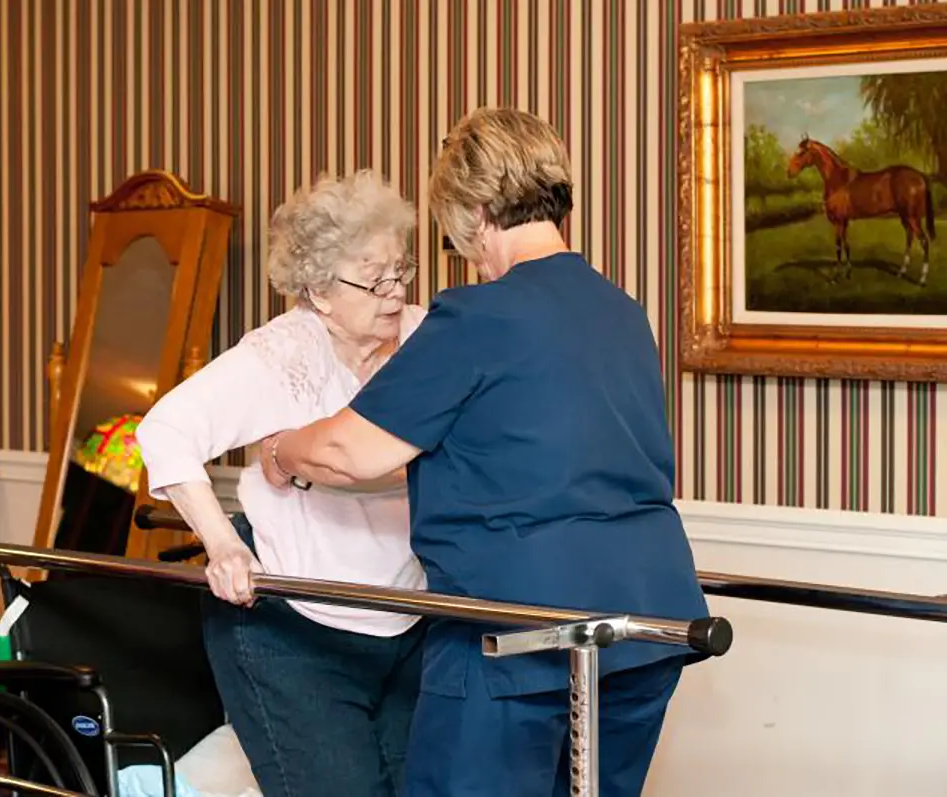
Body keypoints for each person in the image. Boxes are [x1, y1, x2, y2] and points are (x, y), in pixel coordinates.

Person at [260, 108, 711, 797]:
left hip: (517, 628)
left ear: (475, 211)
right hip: (647, 621)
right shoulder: (622, 311)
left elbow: (350, 451)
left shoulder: (477, 316)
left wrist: (282, 450)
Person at [135, 169, 428, 797]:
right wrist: (223, 545)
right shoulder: (282, 355)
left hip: (403, 622)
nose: (394, 292)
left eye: (400, 270)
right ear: (319, 290)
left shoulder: (421, 338)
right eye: (373, 278)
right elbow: (166, 429)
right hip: (292, 628)